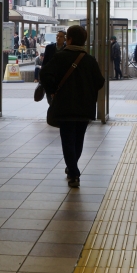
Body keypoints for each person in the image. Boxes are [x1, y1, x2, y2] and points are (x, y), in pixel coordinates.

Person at [40, 24, 105, 189]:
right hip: (85, 107)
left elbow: (44, 74)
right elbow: (100, 82)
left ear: (68, 39)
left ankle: (73, 172)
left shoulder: (59, 57)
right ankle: (72, 167)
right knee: (78, 139)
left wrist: (53, 90)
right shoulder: (90, 60)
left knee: (67, 139)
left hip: (65, 106)